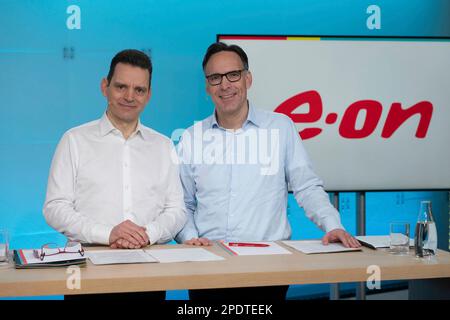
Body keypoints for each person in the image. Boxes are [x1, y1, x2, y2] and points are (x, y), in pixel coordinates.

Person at [175, 42, 361, 301]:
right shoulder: (192, 138)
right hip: (208, 265)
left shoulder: (281, 128)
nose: (225, 85)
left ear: (248, 79)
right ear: (207, 86)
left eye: (233, 75)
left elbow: (306, 186)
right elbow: (183, 203)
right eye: (215, 78)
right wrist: (190, 239)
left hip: (269, 266)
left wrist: (332, 225)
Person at [43, 49, 186, 300]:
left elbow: (177, 210)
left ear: (149, 95)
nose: (130, 96)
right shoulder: (74, 140)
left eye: (139, 90)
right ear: (104, 87)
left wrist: (146, 234)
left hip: (149, 273)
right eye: (121, 87)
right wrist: (108, 233)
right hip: (86, 274)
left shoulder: (163, 145)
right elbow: (55, 207)